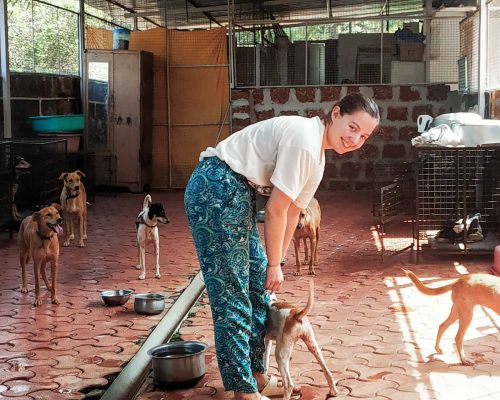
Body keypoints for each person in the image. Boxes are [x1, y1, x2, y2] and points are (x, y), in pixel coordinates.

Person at [184, 93, 380, 399]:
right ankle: (243, 390)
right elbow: (275, 210)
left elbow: (292, 213)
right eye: (352, 127)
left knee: (257, 285)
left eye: (364, 135)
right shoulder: (305, 140)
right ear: (336, 113)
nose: (355, 139)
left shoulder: (318, 157)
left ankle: (257, 377)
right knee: (233, 295)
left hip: (236, 192)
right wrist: (274, 264)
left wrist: (278, 262)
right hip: (216, 187)